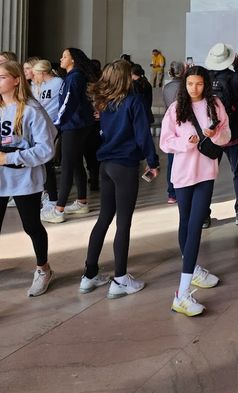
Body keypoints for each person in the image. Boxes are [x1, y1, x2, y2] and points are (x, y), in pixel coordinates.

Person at [79, 61, 160, 298]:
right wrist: (152, 162)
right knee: (123, 223)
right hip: (124, 166)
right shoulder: (133, 102)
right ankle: (121, 278)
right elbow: (143, 135)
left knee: (104, 218)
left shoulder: (103, 103)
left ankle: (89, 275)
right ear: (126, 78)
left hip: (105, 165)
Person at [160, 65, 230, 317]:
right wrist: (185, 143)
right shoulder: (176, 109)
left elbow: (226, 134)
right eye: (190, 84)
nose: (194, 89)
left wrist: (214, 135)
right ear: (184, 85)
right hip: (182, 175)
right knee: (186, 223)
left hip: (206, 173)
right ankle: (191, 273)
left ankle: (183, 289)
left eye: (199, 84)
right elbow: (165, 142)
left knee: (195, 226)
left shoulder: (215, 105)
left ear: (205, 84)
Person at [0, 61, 56, 296]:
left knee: (31, 225)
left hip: (25, 177)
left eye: (2, 77)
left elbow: (46, 149)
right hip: (1, 177)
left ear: (16, 80)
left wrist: (10, 158)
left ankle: (43, 268)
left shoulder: (31, 109)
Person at [41, 48, 98, 224]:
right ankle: (81, 201)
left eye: (65, 56)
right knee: (75, 164)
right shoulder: (73, 77)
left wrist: (57, 123)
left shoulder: (74, 77)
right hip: (75, 125)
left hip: (74, 126)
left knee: (67, 165)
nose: (61, 59)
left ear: (73, 60)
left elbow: (68, 104)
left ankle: (58, 209)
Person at [204, 42, 238, 226]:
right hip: (234, 133)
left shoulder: (205, 79)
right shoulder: (234, 78)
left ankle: (204, 215)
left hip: (212, 133)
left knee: (207, 175)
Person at [31, 60, 63, 210]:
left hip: (53, 125)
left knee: (47, 161)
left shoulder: (58, 82)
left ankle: (52, 198)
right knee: (42, 161)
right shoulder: (40, 86)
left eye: (36, 73)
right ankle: (46, 194)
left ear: (43, 73)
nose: (33, 76)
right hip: (41, 125)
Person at [162, 61, 185, 204]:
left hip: (170, 125)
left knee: (171, 161)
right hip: (182, 125)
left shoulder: (166, 87)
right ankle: (180, 189)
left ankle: (171, 193)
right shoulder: (184, 87)